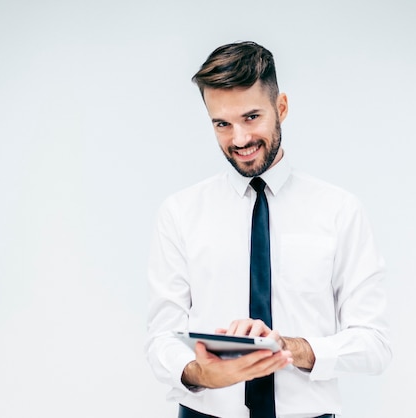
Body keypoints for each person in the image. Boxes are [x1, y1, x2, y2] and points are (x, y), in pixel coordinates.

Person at [146, 41, 392, 418]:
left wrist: (290, 349)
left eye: (251, 117)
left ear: (282, 108)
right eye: (222, 124)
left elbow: (374, 344)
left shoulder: (340, 211)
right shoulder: (180, 213)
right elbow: (162, 336)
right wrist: (200, 373)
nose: (239, 139)